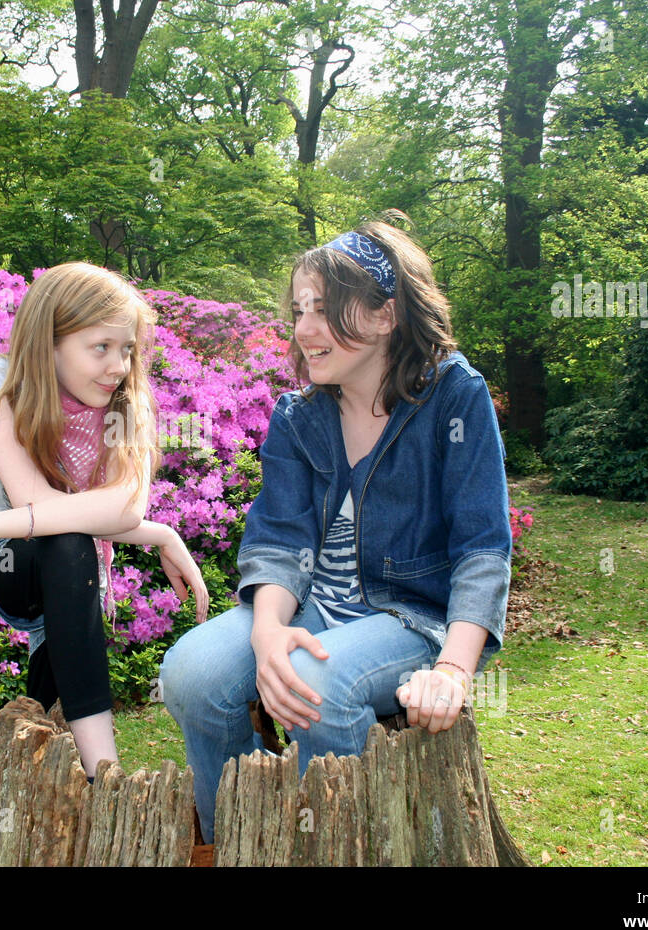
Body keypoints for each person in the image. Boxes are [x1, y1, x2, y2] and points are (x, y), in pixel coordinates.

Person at [159, 213, 511, 843]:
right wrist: (268, 631)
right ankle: (241, 841)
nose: (303, 329)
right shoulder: (298, 416)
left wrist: (455, 671)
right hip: (315, 608)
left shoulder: (454, 397)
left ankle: (351, 847)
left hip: (412, 617)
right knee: (192, 673)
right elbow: (278, 537)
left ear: (384, 315)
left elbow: (482, 547)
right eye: (298, 310)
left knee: (319, 686)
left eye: (323, 308)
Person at [0, 261, 209, 782]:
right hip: (11, 568)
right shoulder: (5, 383)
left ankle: (47, 793)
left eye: (127, 348)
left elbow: (124, 508)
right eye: (100, 347)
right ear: (50, 343)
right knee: (66, 541)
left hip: (70, 572)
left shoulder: (126, 402)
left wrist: (159, 529)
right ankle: (103, 773)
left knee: (44, 715)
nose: (118, 365)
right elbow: (35, 504)